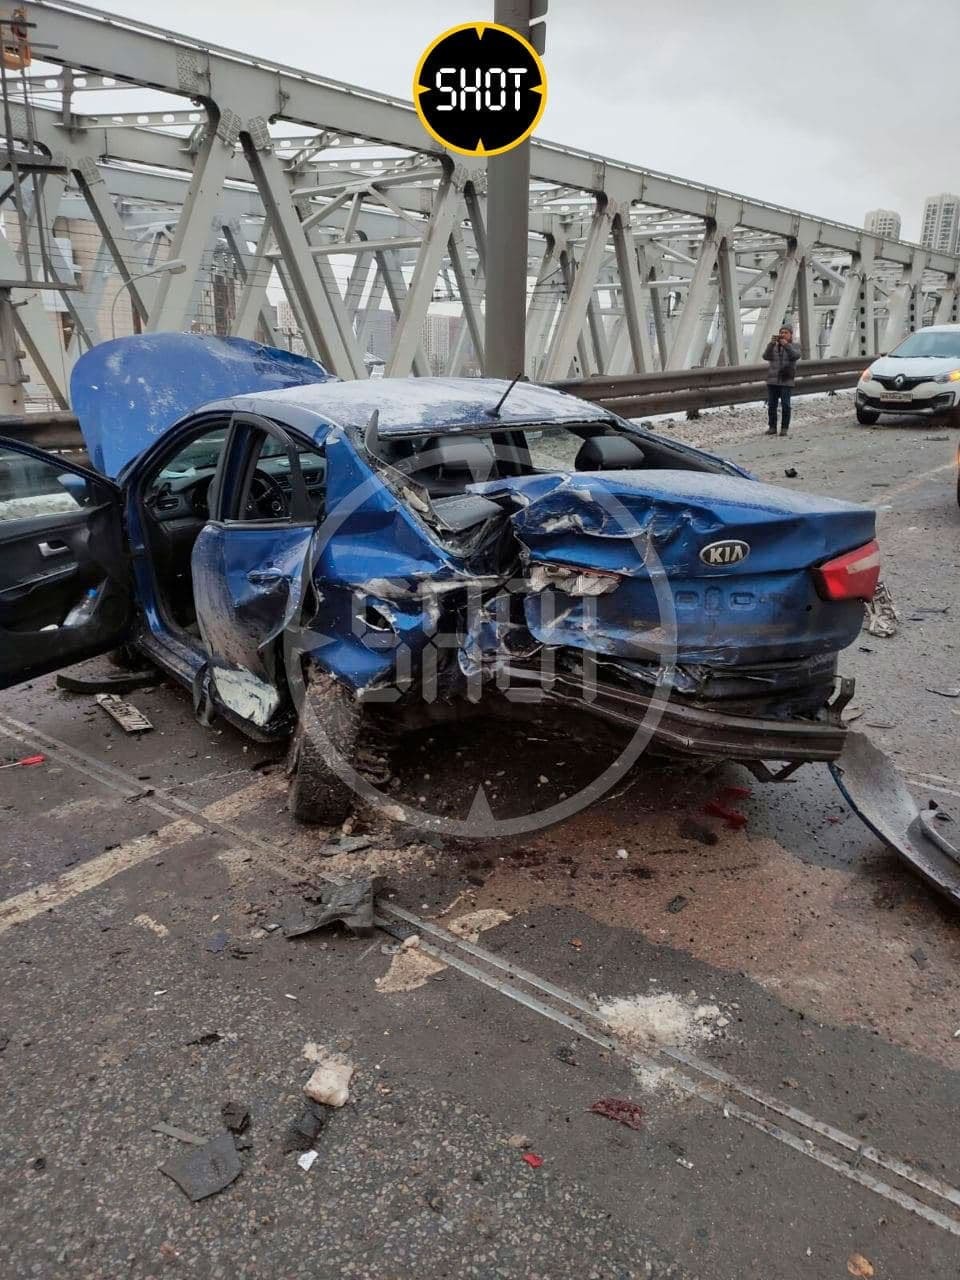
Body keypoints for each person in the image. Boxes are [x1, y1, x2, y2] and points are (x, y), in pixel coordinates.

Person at [763, 324, 801, 436]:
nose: (783, 334)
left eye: (786, 332)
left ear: (790, 335)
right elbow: (765, 356)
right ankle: (772, 427)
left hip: (786, 380)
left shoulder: (795, 346)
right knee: (772, 405)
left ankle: (784, 428)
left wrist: (786, 346)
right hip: (772, 380)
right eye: (781, 332)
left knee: (785, 405)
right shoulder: (774, 346)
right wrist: (771, 344)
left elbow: (795, 356)